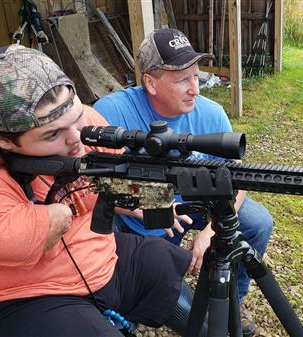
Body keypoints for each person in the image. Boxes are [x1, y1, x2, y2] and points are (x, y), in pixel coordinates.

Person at [0, 45, 192, 337]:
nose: (78, 139)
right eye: (53, 134)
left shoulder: (79, 124)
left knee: (161, 261)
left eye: (76, 117)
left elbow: (110, 179)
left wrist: (143, 199)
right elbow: (55, 220)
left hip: (95, 257)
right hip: (18, 296)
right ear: (1, 139)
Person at [93, 28, 274, 337]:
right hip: (136, 224)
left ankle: (232, 302)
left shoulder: (211, 114)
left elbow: (238, 179)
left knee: (257, 222)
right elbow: (90, 183)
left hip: (195, 205)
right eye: (181, 80)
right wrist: (151, 202)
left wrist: (211, 230)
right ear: (150, 82)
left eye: (196, 76)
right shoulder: (111, 113)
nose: (195, 89)